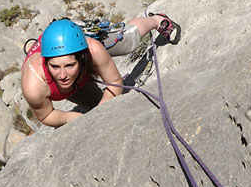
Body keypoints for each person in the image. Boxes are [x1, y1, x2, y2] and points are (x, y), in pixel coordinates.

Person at [21, 14, 177, 128]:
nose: (62, 76)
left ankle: (156, 19)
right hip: (76, 76)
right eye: (54, 67)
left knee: (128, 41)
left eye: (69, 65)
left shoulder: (92, 49)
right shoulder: (33, 84)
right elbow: (46, 115)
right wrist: (68, 117)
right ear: (46, 62)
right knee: (99, 107)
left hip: (78, 46)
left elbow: (115, 82)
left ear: (82, 58)